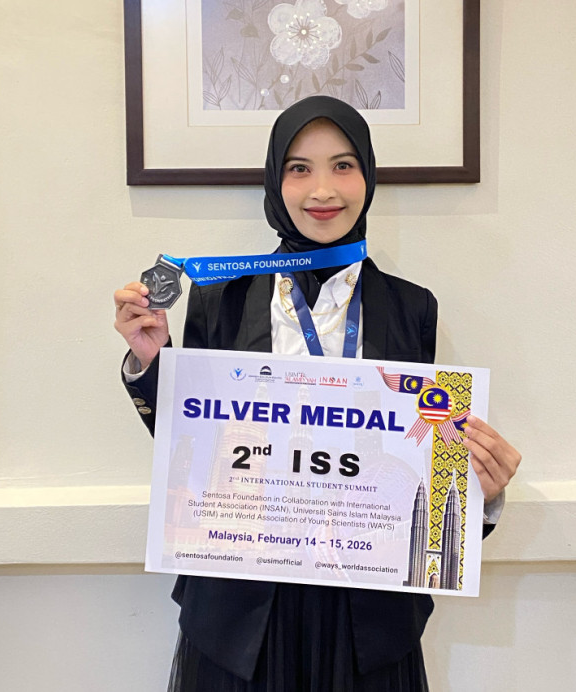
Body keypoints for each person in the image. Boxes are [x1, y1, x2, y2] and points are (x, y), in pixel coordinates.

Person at [113, 96, 521, 691]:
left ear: (369, 177)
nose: (322, 190)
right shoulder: (220, 299)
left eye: (343, 165)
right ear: (274, 181)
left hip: (364, 613)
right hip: (243, 609)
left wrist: (477, 493)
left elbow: (415, 461)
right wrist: (152, 362)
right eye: (299, 168)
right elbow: (195, 452)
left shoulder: (411, 308)